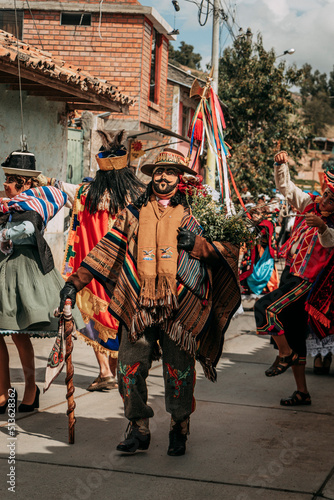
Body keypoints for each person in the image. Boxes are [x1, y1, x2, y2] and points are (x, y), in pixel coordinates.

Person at [59, 147, 241, 456]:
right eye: (158, 171)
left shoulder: (194, 214)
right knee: (129, 368)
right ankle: (139, 428)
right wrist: (74, 283)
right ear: (151, 177)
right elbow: (105, 252)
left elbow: (231, 251)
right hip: (138, 306)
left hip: (179, 309)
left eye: (170, 172)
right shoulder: (131, 215)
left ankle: (179, 427)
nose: (163, 177)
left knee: (178, 371)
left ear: (179, 179)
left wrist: (198, 244)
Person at [39, 131, 145, 391]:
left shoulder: (87, 193)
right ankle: (120, 369)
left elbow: (62, 189)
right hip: (127, 270)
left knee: (92, 316)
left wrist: (45, 180)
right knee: (122, 318)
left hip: (94, 269)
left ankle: (105, 371)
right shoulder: (139, 195)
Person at [0, 150, 84, 414]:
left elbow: (27, 231)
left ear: (25, 183)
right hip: (5, 270)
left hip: (26, 272)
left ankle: (29, 389)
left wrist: (2, 232)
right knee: (3, 333)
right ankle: (3, 392)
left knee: (17, 333)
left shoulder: (34, 202)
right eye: (5, 177)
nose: (5, 184)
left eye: (10, 179)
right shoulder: (9, 205)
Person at [254, 150, 334, 406]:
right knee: (296, 333)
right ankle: (302, 392)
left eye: (332, 200)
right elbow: (286, 187)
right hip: (291, 275)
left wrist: (322, 227)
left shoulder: (331, 223)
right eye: (327, 194)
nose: (326, 200)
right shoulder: (309, 203)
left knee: (264, 307)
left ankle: (284, 354)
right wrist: (281, 165)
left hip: (306, 282)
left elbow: (330, 243)